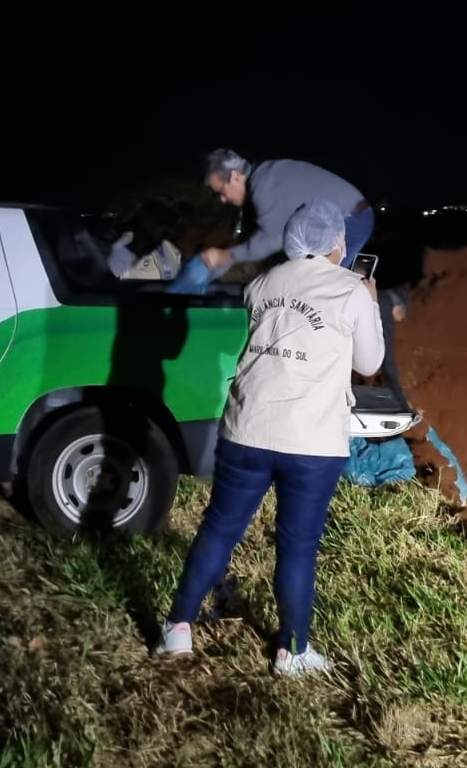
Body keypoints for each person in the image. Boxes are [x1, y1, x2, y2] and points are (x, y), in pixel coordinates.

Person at [156, 200, 384, 676]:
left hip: (247, 430)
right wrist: (372, 300)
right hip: (312, 443)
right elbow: (369, 364)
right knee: (297, 546)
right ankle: (292, 651)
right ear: (336, 243)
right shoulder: (351, 290)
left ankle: (178, 627)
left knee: (219, 528)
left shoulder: (260, 284)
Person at [200, 149, 375, 273]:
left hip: (350, 220)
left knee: (322, 287)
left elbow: (270, 240)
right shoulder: (265, 175)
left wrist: (226, 255)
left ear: (235, 176)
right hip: (345, 217)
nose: (223, 200)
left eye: (220, 192)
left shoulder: (263, 187)